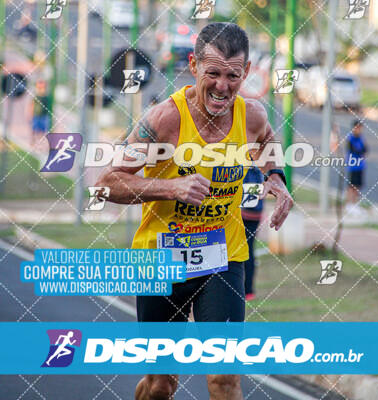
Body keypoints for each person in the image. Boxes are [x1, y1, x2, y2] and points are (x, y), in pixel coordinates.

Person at [95, 22, 294, 400]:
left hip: (223, 258)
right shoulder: (164, 120)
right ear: (193, 65)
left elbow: (267, 139)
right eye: (213, 74)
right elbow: (107, 182)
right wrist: (170, 186)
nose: (223, 86)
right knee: (160, 385)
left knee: (224, 378)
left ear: (247, 72)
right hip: (161, 260)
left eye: (233, 76)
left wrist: (277, 178)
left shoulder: (251, 115)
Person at [240, 165, 265, 301]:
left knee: (242, 252)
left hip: (243, 210)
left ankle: (246, 289)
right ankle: (248, 290)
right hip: (256, 209)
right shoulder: (261, 156)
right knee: (249, 250)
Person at [345, 119, 368, 217]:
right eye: (358, 128)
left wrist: (361, 150)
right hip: (353, 166)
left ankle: (355, 204)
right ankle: (349, 204)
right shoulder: (350, 138)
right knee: (351, 186)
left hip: (361, 165)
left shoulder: (361, 138)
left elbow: (365, 149)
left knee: (358, 186)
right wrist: (360, 150)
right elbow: (355, 150)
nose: (360, 130)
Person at [29, 80, 51, 144]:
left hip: (44, 116)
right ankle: (33, 141)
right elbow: (32, 105)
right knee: (34, 129)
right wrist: (30, 114)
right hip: (36, 115)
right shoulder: (36, 96)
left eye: (43, 88)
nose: (41, 90)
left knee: (44, 130)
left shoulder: (47, 97)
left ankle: (42, 143)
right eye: (39, 88)